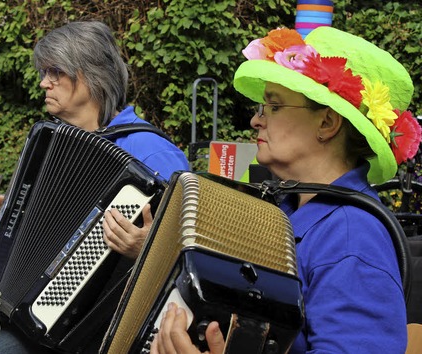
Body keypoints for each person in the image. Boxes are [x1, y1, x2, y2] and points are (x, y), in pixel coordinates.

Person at [152, 26, 420, 353]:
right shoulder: (290, 209)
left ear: (327, 124)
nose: (256, 120)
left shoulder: (351, 238)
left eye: (274, 106)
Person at [0, 21, 189, 353]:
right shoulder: (53, 143)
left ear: (90, 75)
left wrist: (148, 248)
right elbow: (37, 226)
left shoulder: (152, 152)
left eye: (55, 72)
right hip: (26, 306)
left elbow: (188, 255)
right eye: (45, 72)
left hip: (97, 329)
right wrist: (2, 216)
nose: (44, 82)